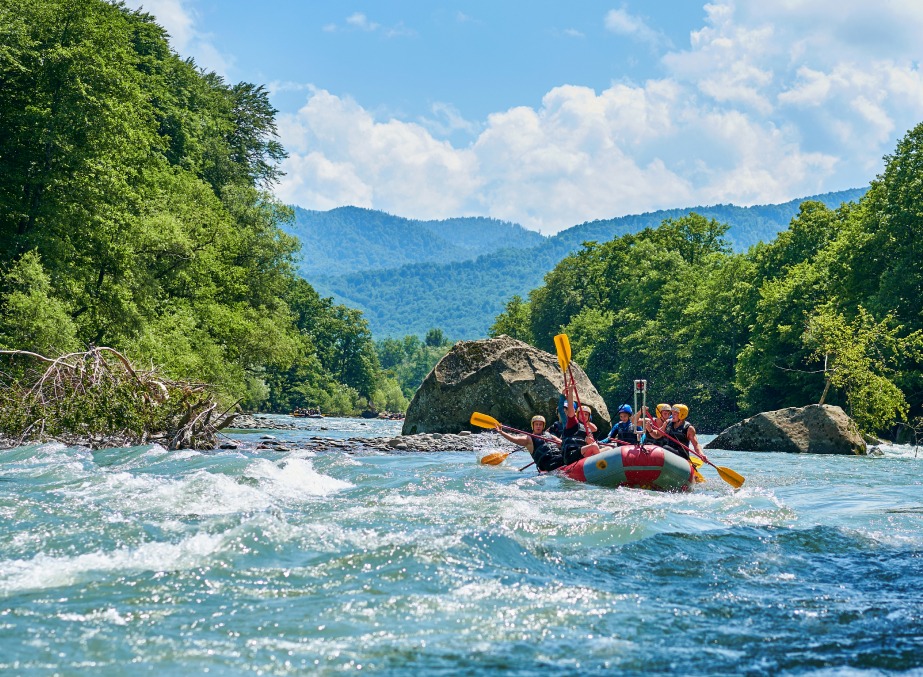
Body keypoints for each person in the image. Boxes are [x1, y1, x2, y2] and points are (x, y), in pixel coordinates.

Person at [494, 415, 565, 472]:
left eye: (540, 424)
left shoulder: (549, 435)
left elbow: (562, 443)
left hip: (558, 459)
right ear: (533, 426)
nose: (538, 426)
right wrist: (501, 432)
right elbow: (514, 439)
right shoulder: (529, 439)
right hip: (547, 464)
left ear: (543, 426)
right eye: (536, 424)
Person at [559, 382, 598, 464]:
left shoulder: (587, 429)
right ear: (577, 415)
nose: (583, 416)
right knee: (594, 446)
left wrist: (590, 442)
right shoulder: (572, 423)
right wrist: (570, 392)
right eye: (581, 414)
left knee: (608, 449)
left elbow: (594, 432)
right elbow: (570, 410)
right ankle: (601, 468)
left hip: (582, 453)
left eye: (586, 414)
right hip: (571, 454)